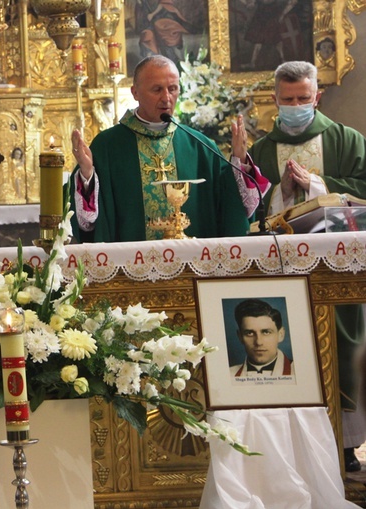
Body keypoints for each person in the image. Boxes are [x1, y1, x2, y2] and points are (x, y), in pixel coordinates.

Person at [245, 60, 366, 471]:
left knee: (341, 344)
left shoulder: (346, 140)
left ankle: (345, 446)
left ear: (318, 96)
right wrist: (282, 191)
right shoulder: (261, 151)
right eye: (287, 99)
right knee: (288, 346)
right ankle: (287, 447)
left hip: (335, 268)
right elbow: (248, 207)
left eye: (303, 98)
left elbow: (364, 189)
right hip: (280, 270)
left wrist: (317, 187)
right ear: (275, 100)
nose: (296, 106)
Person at [68, 55, 263, 243]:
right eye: (157, 89)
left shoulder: (200, 145)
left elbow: (232, 205)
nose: (166, 97)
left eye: (173, 89)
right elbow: (87, 220)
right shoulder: (108, 145)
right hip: (131, 265)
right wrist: (86, 175)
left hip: (192, 263)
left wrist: (239, 160)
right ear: (135, 92)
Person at [229, 298, 294, 378]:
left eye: (266, 332)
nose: (258, 342)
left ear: (281, 335)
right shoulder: (228, 374)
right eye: (250, 333)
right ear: (240, 336)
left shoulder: (300, 371)